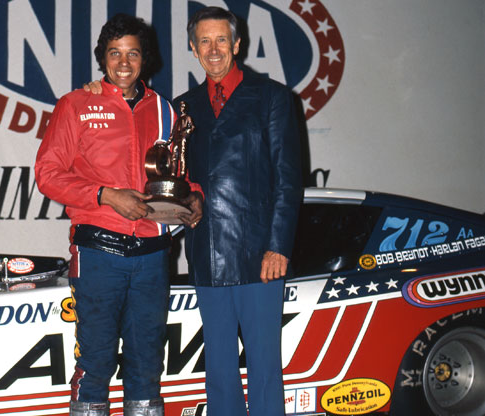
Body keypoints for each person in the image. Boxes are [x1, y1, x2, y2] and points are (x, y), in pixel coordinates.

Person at [35, 14, 202, 416]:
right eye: (115, 53)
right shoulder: (76, 104)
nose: (124, 63)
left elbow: (178, 172)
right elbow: (47, 174)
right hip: (99, 251)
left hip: (152, 253)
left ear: (146, 59)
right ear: (102, 58)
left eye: (133, 53)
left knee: (147, 364)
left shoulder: (164, 109)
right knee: (95, 362)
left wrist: (194, 196)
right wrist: (106, 195)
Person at [172, 7, 302, 416]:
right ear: (193, 49)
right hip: (206, 252)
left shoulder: (272, 97)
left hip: (259, 256)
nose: (214, 50)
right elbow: (176, 178)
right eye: (204, 42)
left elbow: (288, 180)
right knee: (220, 372)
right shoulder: (182, 107)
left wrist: (277, 246)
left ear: (237, 44)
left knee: (265, 369)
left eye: (221, 40)